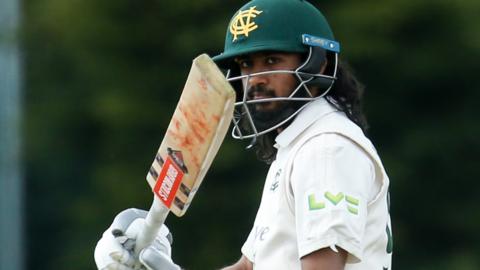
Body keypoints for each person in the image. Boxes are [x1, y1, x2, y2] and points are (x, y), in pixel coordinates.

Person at [94, 0, 393, 269]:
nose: (256, 79)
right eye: (247, 65)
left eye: (272, 61)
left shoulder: (326, 148)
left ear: (318, 64)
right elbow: (249, 267)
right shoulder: (295, 147)